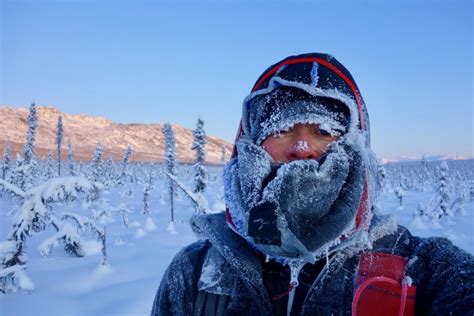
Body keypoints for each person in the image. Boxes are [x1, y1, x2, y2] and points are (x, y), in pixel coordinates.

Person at [152, 53, 473, 315]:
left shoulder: (419, 271)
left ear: (355, 146)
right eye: (282, 130)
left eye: (323, 132)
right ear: (250, 144)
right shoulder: (195, 274)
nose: (302, 149)